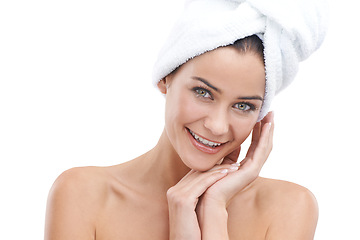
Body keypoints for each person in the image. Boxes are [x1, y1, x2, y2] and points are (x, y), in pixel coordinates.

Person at [44, 0, 328, 239]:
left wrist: (213, 210)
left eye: (243, 105)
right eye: (203, 92)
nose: (217, 126)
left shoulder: (288, 207)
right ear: (165, 79)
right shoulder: (82, 195)